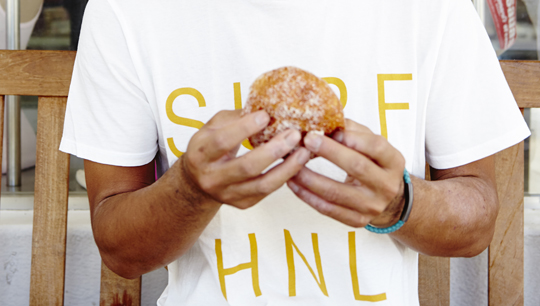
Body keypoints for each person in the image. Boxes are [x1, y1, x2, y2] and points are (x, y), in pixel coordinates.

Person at [60, 0, 530, 305]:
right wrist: (189, 191)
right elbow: (119, 248)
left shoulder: (433, 8)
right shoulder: (127, 11)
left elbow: (477, 222)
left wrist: (400, 204)